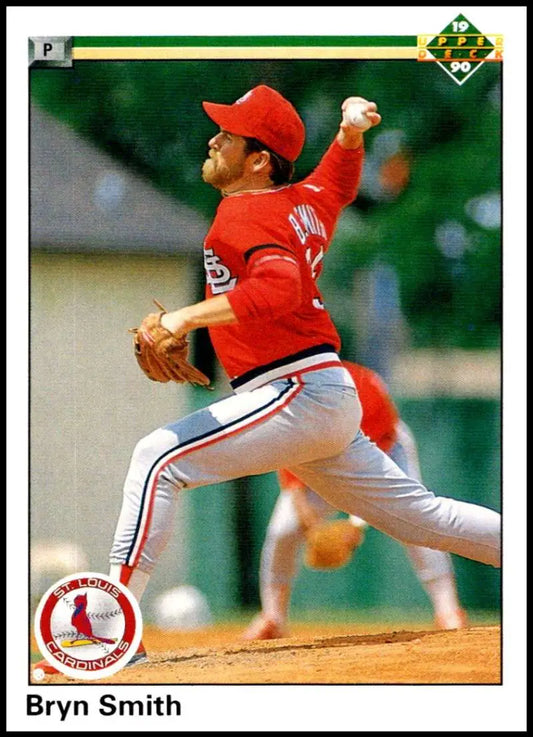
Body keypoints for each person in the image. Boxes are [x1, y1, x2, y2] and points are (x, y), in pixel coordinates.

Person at [35, 84, 500, 674]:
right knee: (427, 519)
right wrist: (350, 135)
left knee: (158, 458)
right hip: (320, 397)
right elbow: (337, 183)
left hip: (294, 389)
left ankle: (107, 631)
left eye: (227, 135)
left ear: (257, 159)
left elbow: (279, 290)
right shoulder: (300, 202)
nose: (213, 138)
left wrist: (183, 316)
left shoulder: (245, 210)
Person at [242, 360, 468, 641]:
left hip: (384, 452)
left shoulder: (362, 388)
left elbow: (375, 467)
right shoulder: (289, 397)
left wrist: (356, 523)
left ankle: (448, 611)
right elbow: (293, 481)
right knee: (283, 531)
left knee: (417, 522)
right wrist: (313, 527)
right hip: (321, 461)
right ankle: (273, 618)